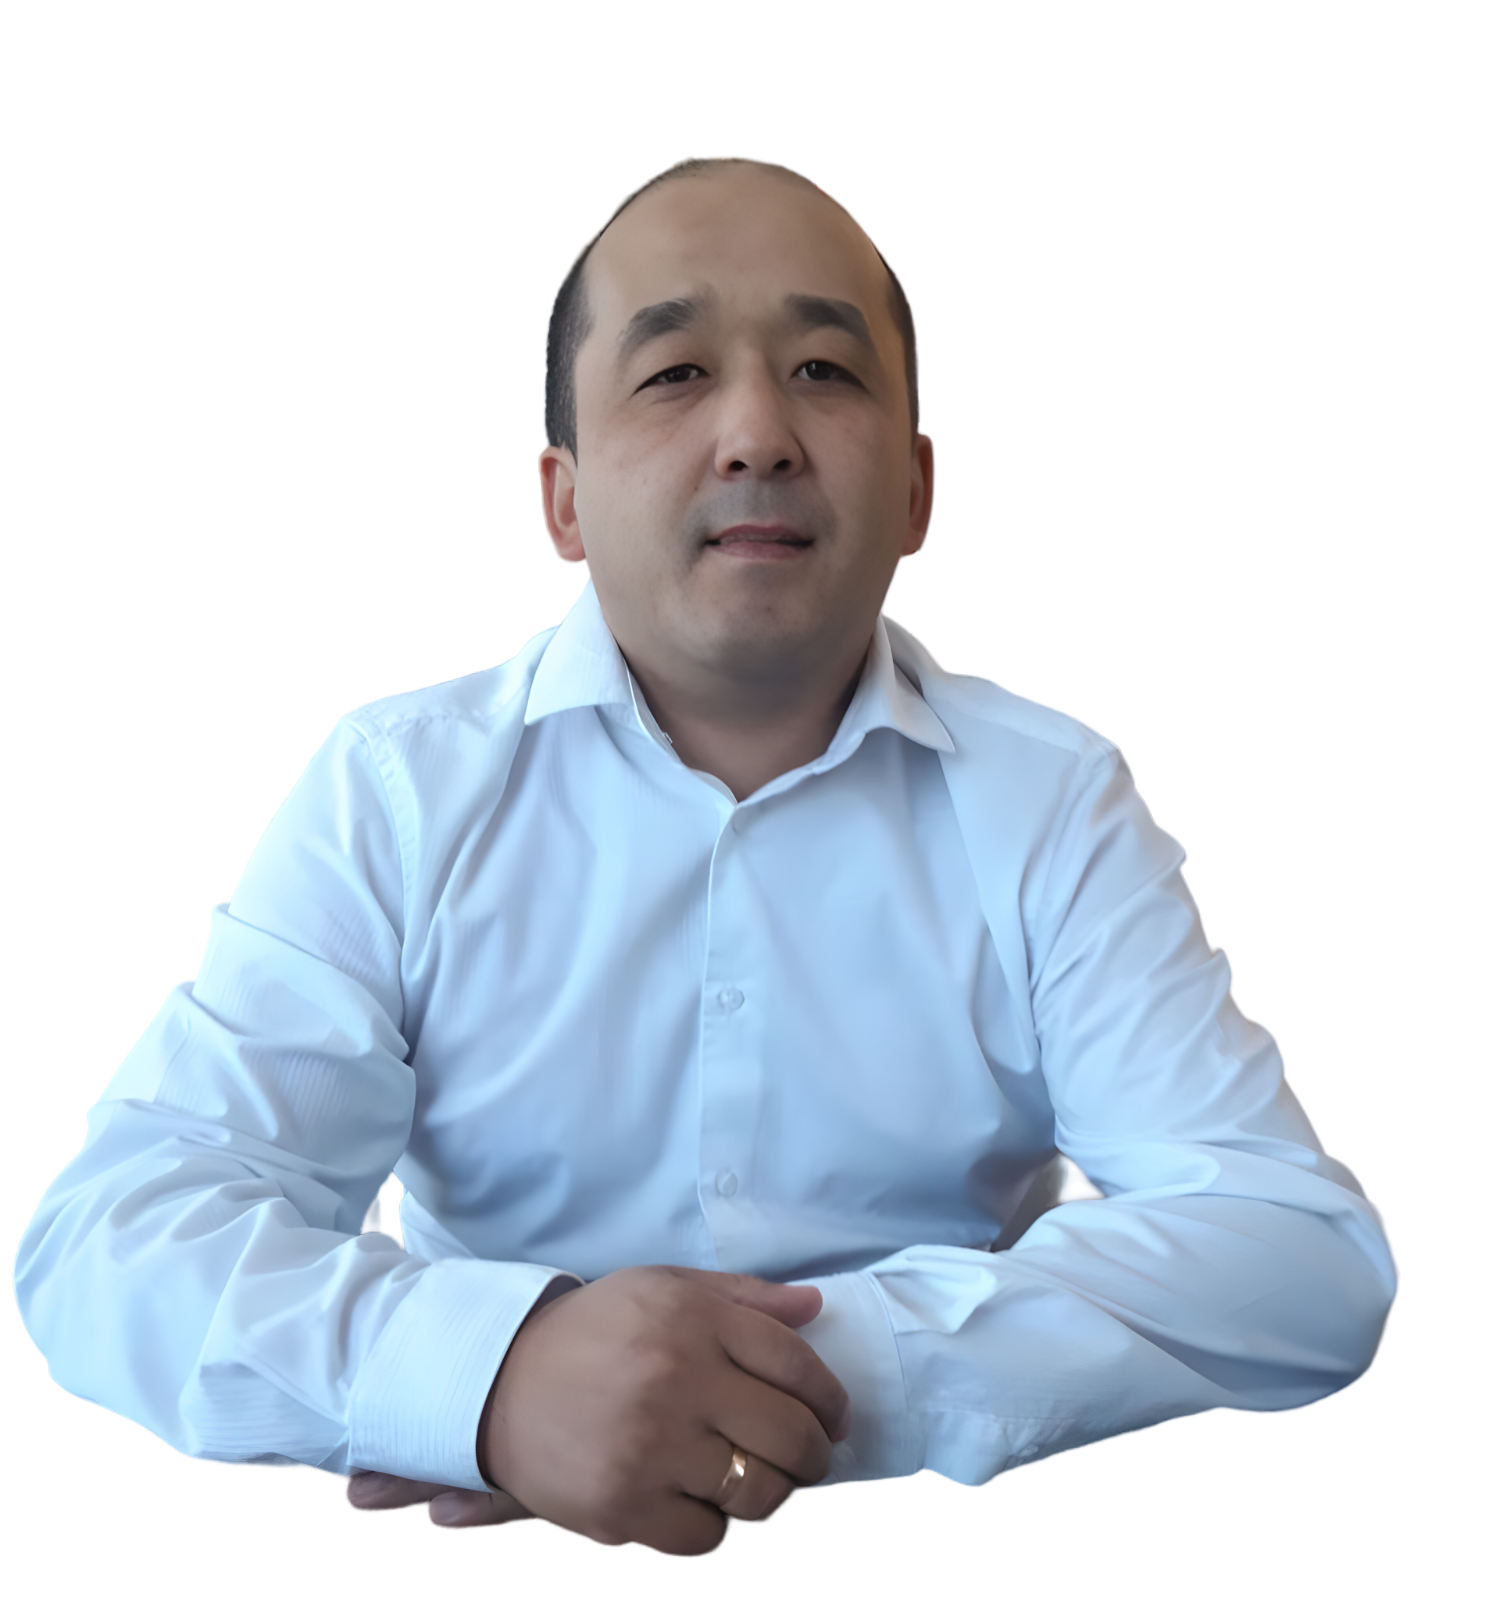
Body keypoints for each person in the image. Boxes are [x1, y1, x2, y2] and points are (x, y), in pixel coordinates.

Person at [11, 155, 1399, 1558]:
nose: (755, 436)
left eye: (823, 371)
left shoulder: (1052, 796)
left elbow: (1298, 1258)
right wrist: (492, 1383)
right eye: (674, 373)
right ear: (562, 502)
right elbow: (113, 1239)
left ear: (918, 492)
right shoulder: (398, 786)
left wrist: (770, 1384)